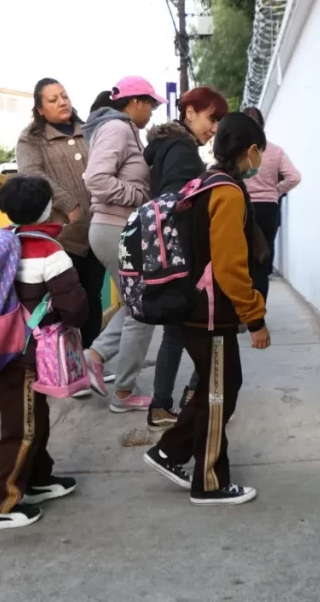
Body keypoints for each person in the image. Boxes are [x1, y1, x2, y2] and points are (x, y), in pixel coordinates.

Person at [142, 112, 271, 506]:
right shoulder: (227, 192)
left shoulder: (205, 182)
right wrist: (255, 317)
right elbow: (230, 266)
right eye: (259, 153)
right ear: (251, 150)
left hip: (195, 306)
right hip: (210, 311)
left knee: (217, 387)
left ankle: (170, 450)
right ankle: (209, 482)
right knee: (220, 393)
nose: (259, 161)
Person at [0, 175, 88, 531]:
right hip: (27, 354)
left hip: (1, 347)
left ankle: (37, 478)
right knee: (21, 428)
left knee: (32, 416)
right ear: (47, 208)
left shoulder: (2, 243)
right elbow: (74, 307)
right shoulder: (49, 252)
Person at [144, 87, 228, 430]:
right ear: (190, 112)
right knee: (205, 327)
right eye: (212, 118)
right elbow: (176, 202)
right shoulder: (181, 148)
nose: (215, 128)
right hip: (183, 254)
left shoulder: (169, 145)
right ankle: (190, 397)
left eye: (220, 122)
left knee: (176, 332)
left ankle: (163, 405)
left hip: (170, 252)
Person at [81, 77, 165, 413]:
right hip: (114, 228)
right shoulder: (117, 128)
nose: (153, 111)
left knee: (136, 305)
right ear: (134, 102)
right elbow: (96, 179)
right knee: (144, 308)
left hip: (116, 228)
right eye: (151, 104)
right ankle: (124, 392)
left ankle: (95, 357)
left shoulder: (124, 130)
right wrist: (139, 197)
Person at [16, 78, 105, 362]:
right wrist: (68, 203)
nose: (62, 102)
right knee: (64, 303)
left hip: (96, 231)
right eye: (53, 100)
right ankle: (65, 365)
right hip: (61, 237)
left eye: (64, 96)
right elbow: (32, 174)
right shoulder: (31, 139)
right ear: (40, 109)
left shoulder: (89, 130)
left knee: (92, 298)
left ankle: (89, 362)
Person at [241, 107, 302, 299]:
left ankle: (243, 308)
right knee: (262, 261)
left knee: (242, 259)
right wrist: (276, 191)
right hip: (268, 209)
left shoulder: (238, 151)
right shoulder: (275, 151)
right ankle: (259, 310)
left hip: (242, 207)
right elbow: (294, 177)